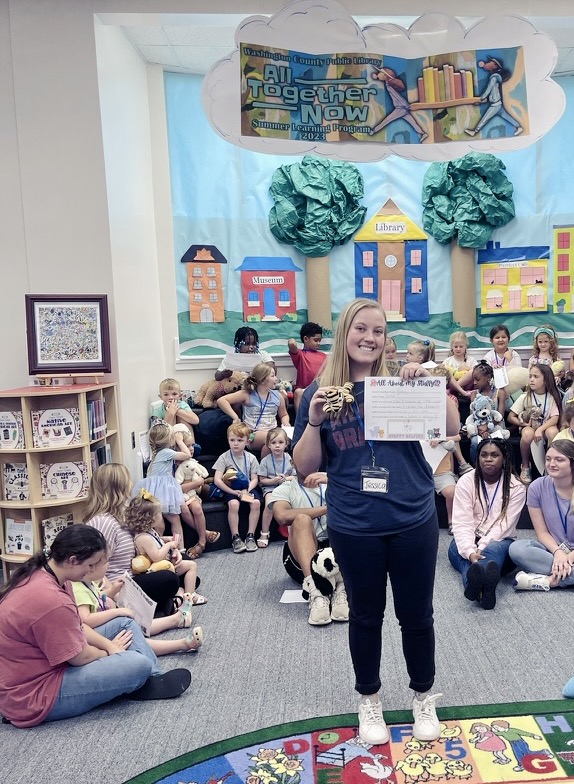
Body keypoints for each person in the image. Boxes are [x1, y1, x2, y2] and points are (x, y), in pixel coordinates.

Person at [293, 297, 460, 745]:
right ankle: (369, 699)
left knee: (417, 615)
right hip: (354, 523)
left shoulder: (401, 383)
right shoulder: (320, 395)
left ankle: (423, 695)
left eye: (378, 331)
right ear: (344, 333)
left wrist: (430, 384)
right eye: (361, 329)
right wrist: (312, 422)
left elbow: (451, 429)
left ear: (387, 339)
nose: (370, 338)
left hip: (412, 516)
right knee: (366, 617)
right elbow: (303, 466)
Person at [0, 525, 191, 727]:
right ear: (72, 560)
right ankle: (141, 676)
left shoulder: (53, 576)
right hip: (33, 694)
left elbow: (78, 626)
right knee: (137, 663)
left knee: (123, 624)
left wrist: (110, 647)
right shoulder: (52, 599)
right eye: (90, 565)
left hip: (40, 665)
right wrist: (110, 652)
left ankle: (150, 679)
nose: (93, 571)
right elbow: (80, 657)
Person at [85, 463, 180, 617]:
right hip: (122, 583)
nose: (131, 486)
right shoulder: (103, 522)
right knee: (170, 579)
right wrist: (112, 594)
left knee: (181, 567)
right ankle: (167, 602)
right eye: (127, 482)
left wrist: (170, 548)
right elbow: (95, 567)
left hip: (138, 572)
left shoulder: (122, 513)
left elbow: (143, 540)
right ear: (119, 488)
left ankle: (166, 603)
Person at [71, 552, 204, 656]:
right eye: (106, 562)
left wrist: (112, 590)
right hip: (98, 633)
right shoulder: (79, 589)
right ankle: (183, 644)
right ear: (91, 567)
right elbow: (86, 620)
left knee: (140, 623)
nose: (109, 565)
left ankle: (177, 619)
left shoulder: (88, 583)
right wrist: (117, 611)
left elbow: (97, 599)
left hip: (107, 621)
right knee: (136, 639)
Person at [448, 439, 526, 610]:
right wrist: (469, 551)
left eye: (494, 455)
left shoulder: (516, 487)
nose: (488, 459)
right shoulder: (466, 482)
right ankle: (485, 589)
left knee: (492, 552)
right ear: (477, 458)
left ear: (504, 458)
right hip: (469, 539)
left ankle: (476, 584)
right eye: (483, 455)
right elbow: (462, 522)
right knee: (460, 553)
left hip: (501, 541)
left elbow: (503, 525)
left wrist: (481, 547)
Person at [268, 470, 349, 625]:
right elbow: (282, 516)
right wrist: (328, 508)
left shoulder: (335, 478)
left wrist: (333, 482)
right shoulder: (286, 488)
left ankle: (342, 587)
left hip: (336, 548)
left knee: (349, 519)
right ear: (293, 462)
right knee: (301, 519)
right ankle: (316, 591)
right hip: (302, 558)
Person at [509, 440, 574, 591]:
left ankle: (548, 581)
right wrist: (558, 553)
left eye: (559, 460)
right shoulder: (536, 487)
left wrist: (568, 558)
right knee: (517, 548)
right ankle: (566, 574)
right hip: (553, 549)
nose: (551, 464)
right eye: (548, 459)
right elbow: (542, 533)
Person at [123, 491, 207, 605]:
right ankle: (191, 595)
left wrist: (164, 539)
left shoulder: (147, 532)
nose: (161, 516)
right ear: (150, 518)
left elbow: (154, 542)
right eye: (159, 514)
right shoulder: (143, 538)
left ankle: (183, 592)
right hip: (158, 568)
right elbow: (156, 556)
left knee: (188, 564)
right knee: (192, 566)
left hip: (163, 562)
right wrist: (168, 545)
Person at [133, 421, 198, 546]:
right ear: (169, 439)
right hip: (161, 492)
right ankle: (179, 548)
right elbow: (187, 455)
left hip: (152, 491)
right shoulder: (165, 452)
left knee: (160, 522)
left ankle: (161, 547)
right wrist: (180, 441)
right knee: (174, 520)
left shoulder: (157, 453)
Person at [217, 362, 290, 456]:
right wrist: (235, 417)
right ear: (263, 380)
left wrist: (285, 422)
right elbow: (222, 401)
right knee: (272, 438)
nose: (276, 379)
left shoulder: (278, 396)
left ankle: (266, 467)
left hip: (274, 432)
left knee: (273, 441)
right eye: (273, 376)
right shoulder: (247, 394)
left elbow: (284, 415)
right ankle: (265, 469)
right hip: (252, 434)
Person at [212, 422, 262, 553]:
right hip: (231, 490)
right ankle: (236, 537)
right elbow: (217, 480)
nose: (235, 443)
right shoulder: (224, 457)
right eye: (232, 440)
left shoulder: (251, 458)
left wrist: (248, 490)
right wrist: (233, 491)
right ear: (228, 440)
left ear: (247, 441)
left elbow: (255, 478)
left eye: (240, 440)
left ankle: (250, 536)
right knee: (234, 504)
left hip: (248, 489)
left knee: (256, 503)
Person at [507, 363, 561, 484]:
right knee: (527, 434)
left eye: (536, 377)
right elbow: (511, 417)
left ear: (546, 380)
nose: (531, 379)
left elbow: (555, 418)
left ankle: (550, 464)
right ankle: (525, 466)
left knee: (553, 432)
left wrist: (540, 429)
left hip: (545, 428)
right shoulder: (525, 397)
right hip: (530, 428)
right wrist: (522, 424)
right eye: (530, 376)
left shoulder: (551, 397)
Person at [172, 423, 219, 559]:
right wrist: (195, 483)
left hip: (192, 496)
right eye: (187, 446)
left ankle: (202, 542)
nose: (191, 449)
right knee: (185, 509)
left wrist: (195, 484)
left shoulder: (192, 463)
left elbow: (199, 483)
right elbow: (177, 488)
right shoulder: (172, 465)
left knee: (197, 508)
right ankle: (205, 533)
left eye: (192, 445)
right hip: (178, 497)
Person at [256, 427, 296, 548]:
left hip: (286, 486)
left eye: (280, 442)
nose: (277, 446)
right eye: (273, 443)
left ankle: (293, 533)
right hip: (270, 487)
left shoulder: (289, 458)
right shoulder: (265, 461)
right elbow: (262, 480)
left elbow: (295, 476)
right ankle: (265, 533)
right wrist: (273, 480)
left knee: (294, 502)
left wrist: (286, 478)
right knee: (269, 504)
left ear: (286, 444)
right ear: (268, 444)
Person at [150, 378, 199, 452]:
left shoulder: (183, 405)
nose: (170, 397)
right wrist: (170, 413)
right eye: (166, 394)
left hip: (187, 441)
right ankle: (174, 448)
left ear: (180, 396)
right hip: (171, 442)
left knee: (182, 418)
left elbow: (196, 420)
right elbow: (162, 432)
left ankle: (192, 446)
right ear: (161, 397)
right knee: (163, 427)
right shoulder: (158, 411)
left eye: (174, 394)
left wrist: (177, 411)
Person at [288, 321, 327, 412]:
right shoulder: (300, 355)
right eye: (316, 340)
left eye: (319, 341)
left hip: (319, 389)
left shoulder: (323, 356)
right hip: (304, 390)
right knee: (298, 392)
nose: (318, 343)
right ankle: (300, 423)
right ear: (306, 339)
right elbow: (291, 343)